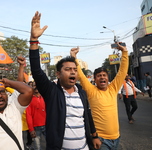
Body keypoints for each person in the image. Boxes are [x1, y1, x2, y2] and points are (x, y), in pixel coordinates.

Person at [29, 11, 101, 150]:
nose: (73, 72)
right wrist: (33, 40)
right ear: (58, 74)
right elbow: (37, 71)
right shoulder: (52, 92)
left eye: (74, 69)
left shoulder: (81, 91)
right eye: (68, 69)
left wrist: (94, 135)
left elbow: (87, 115)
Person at [70, 44, 128, 150]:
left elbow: (122, 72)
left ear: (108, 78)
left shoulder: (113, 88)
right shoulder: (91, 90)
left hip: (117, 138)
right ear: (95, 80)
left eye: (104, 75)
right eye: (99, 76)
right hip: (100, 140)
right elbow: (81, 75)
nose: (102, 77)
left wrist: (124, 52)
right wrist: (74, 57)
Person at [17, 55, 34, 150]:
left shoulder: (30, 94)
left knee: (28, 141)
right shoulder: (15, 95)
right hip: (19, 126)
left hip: (28, 124)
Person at [26, 81, 46, 150]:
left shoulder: (45, 97)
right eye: (34, 85)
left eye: (38, 85)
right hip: (36, 128)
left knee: (51, 145)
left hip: (47, 126)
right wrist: (31, 129)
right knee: (37, 148)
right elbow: (28, 115)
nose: (36, 87)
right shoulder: (29, 99)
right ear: (32, 87)